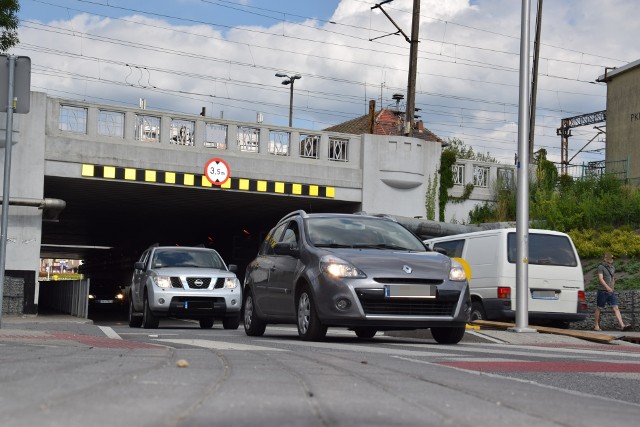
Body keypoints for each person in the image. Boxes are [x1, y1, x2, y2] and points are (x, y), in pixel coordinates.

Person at [594, 252, 630, 331]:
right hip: (602, 291)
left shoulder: (613, 268)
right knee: (599, 308)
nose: (611, 260)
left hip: (611, 291)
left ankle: (622, 325)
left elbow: (613, 278)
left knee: (616, 308)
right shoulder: (601, 267)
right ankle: (596, 325)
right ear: (605, 259)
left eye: (612, 258)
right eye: (610, 258)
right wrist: (607, 287)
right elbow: (600, 278)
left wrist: (612, 288)